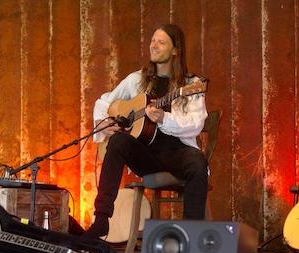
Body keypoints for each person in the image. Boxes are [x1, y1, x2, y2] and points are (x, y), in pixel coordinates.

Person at [85, 23, 208, 238]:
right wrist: (108, 120)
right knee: (118, 141)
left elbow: (196, 122)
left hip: (177, 154)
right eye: (153, 41)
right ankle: (102, 219)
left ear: (175, 50)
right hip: (146, 157)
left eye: (161, 42)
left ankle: (191, 237)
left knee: (198, 162)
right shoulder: (136, 80)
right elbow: (105, 101)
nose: (154, 45)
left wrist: (164, 118)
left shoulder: (192, 84)